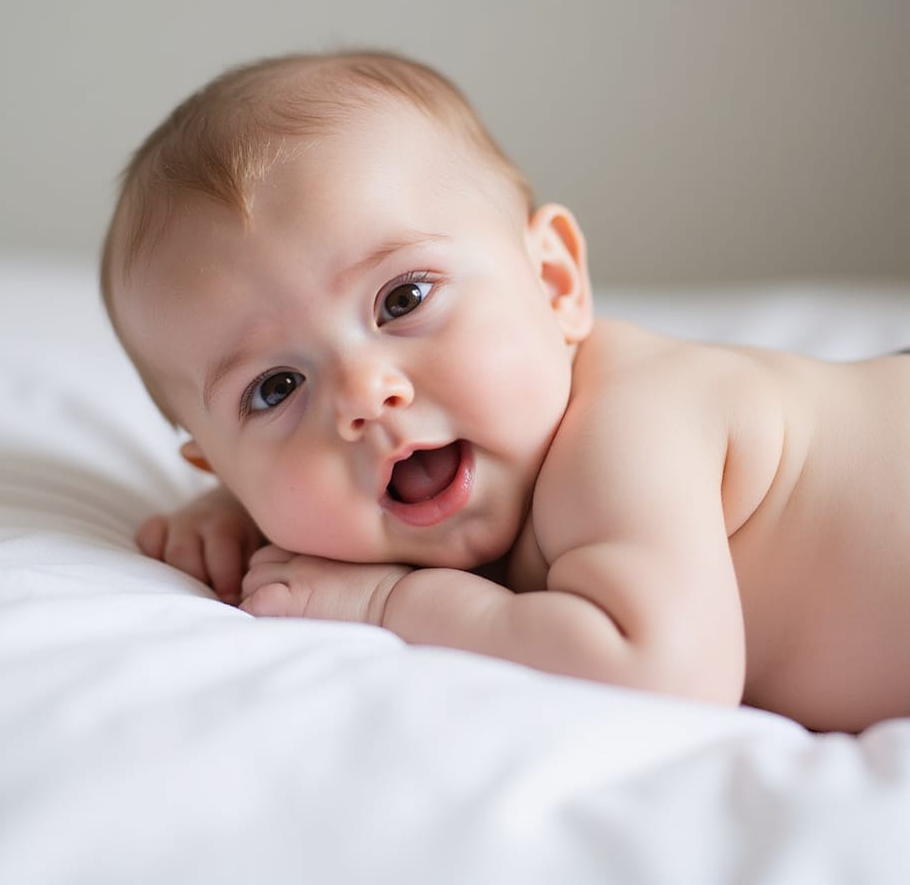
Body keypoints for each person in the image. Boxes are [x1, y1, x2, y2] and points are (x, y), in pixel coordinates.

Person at [101, 50, 910, 733]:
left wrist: (388, 604)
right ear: (217, 463)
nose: (364, 393)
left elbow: (663, 672)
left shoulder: (632, 425)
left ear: (556, 282)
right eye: (276, 389)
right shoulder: (466, 460)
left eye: (403, 300)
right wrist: (241, 515)